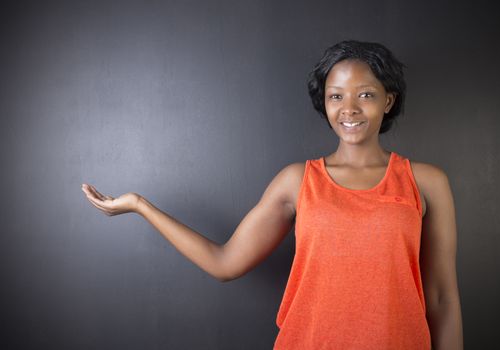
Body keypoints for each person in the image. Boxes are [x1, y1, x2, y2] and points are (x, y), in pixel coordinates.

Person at [81, 39, 463, 350]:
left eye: (365, 95)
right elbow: (224, 263)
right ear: (325, 102)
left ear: (388, 100)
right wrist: (139, 206)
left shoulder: (426, 182)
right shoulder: (296, 181)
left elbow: (442, 298)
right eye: (336, 96)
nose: (349, 108)